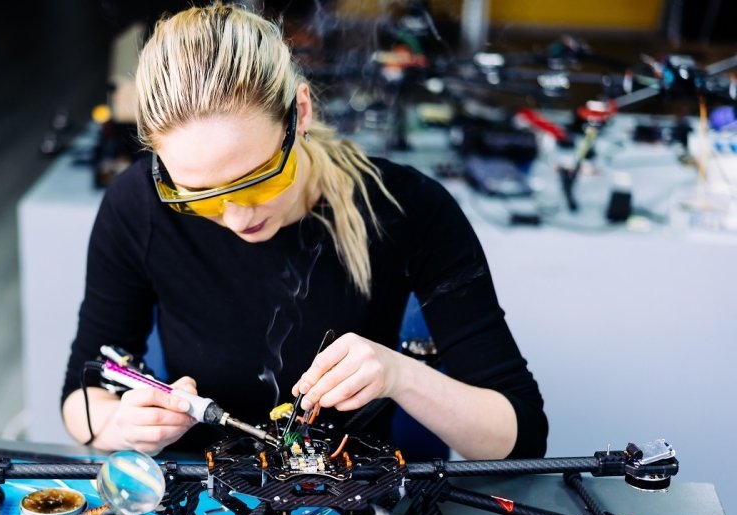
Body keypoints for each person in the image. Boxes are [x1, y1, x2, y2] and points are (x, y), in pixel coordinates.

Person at [61, 2, 547, 461]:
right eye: (199, 196)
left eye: (256, 179)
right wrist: (122, 424)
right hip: (203, 512)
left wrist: (401, 376)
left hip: (351, 504)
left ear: (302, 112)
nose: (235, 217)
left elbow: (521, 437)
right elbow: (79, 399)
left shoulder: (408, 207)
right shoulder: (139, 204)